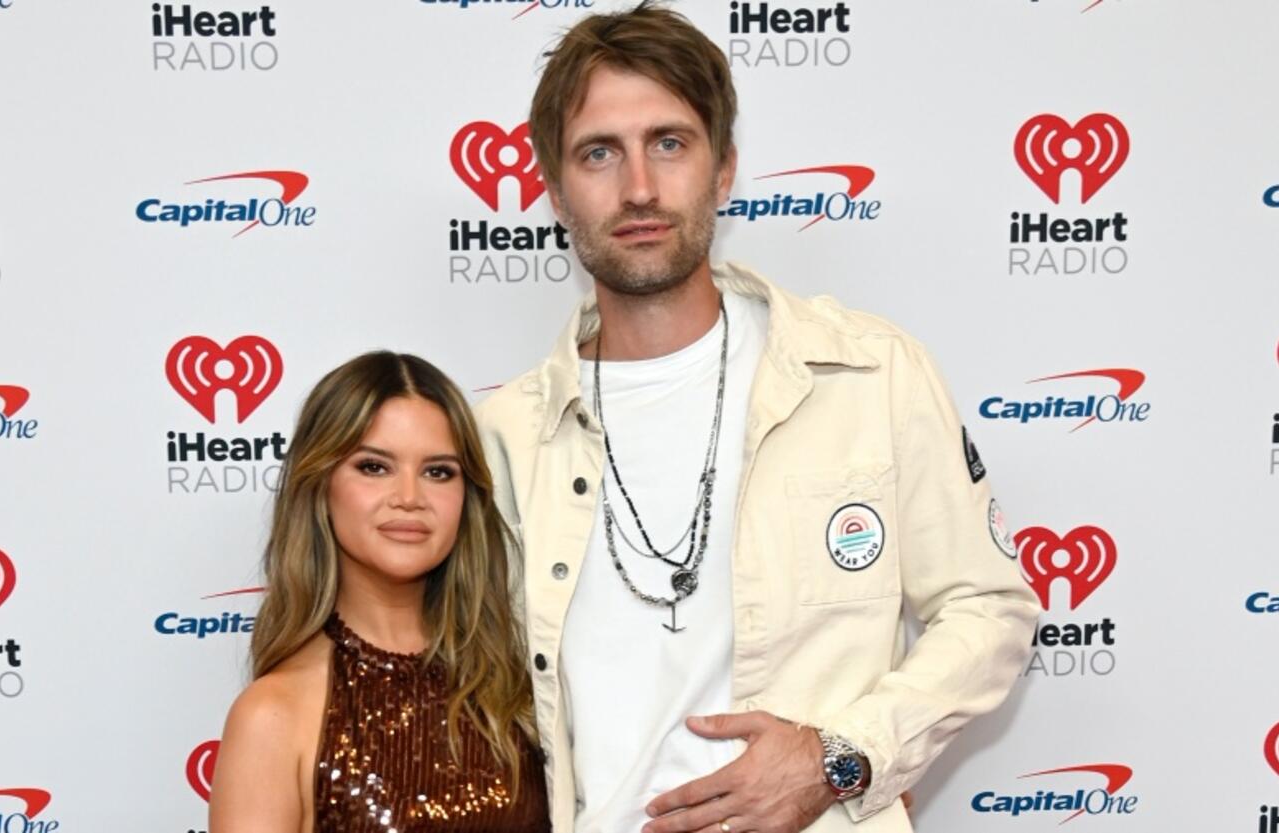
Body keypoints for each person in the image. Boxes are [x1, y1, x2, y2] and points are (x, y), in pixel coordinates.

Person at [474, 4, 1043, 832]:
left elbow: (990, 609)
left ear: (725, 168)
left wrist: (839, 757)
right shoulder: (506, 435)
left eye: (669, 143)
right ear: (556, 191)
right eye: (600, 153)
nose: (639, 186)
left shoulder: (867, 373)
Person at [210, 352, 550, 833]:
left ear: (465, 498)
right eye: (374, 467)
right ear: (319, 486)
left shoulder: (517, 689)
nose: (409, 497)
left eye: (438, 472)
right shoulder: (272, 717)